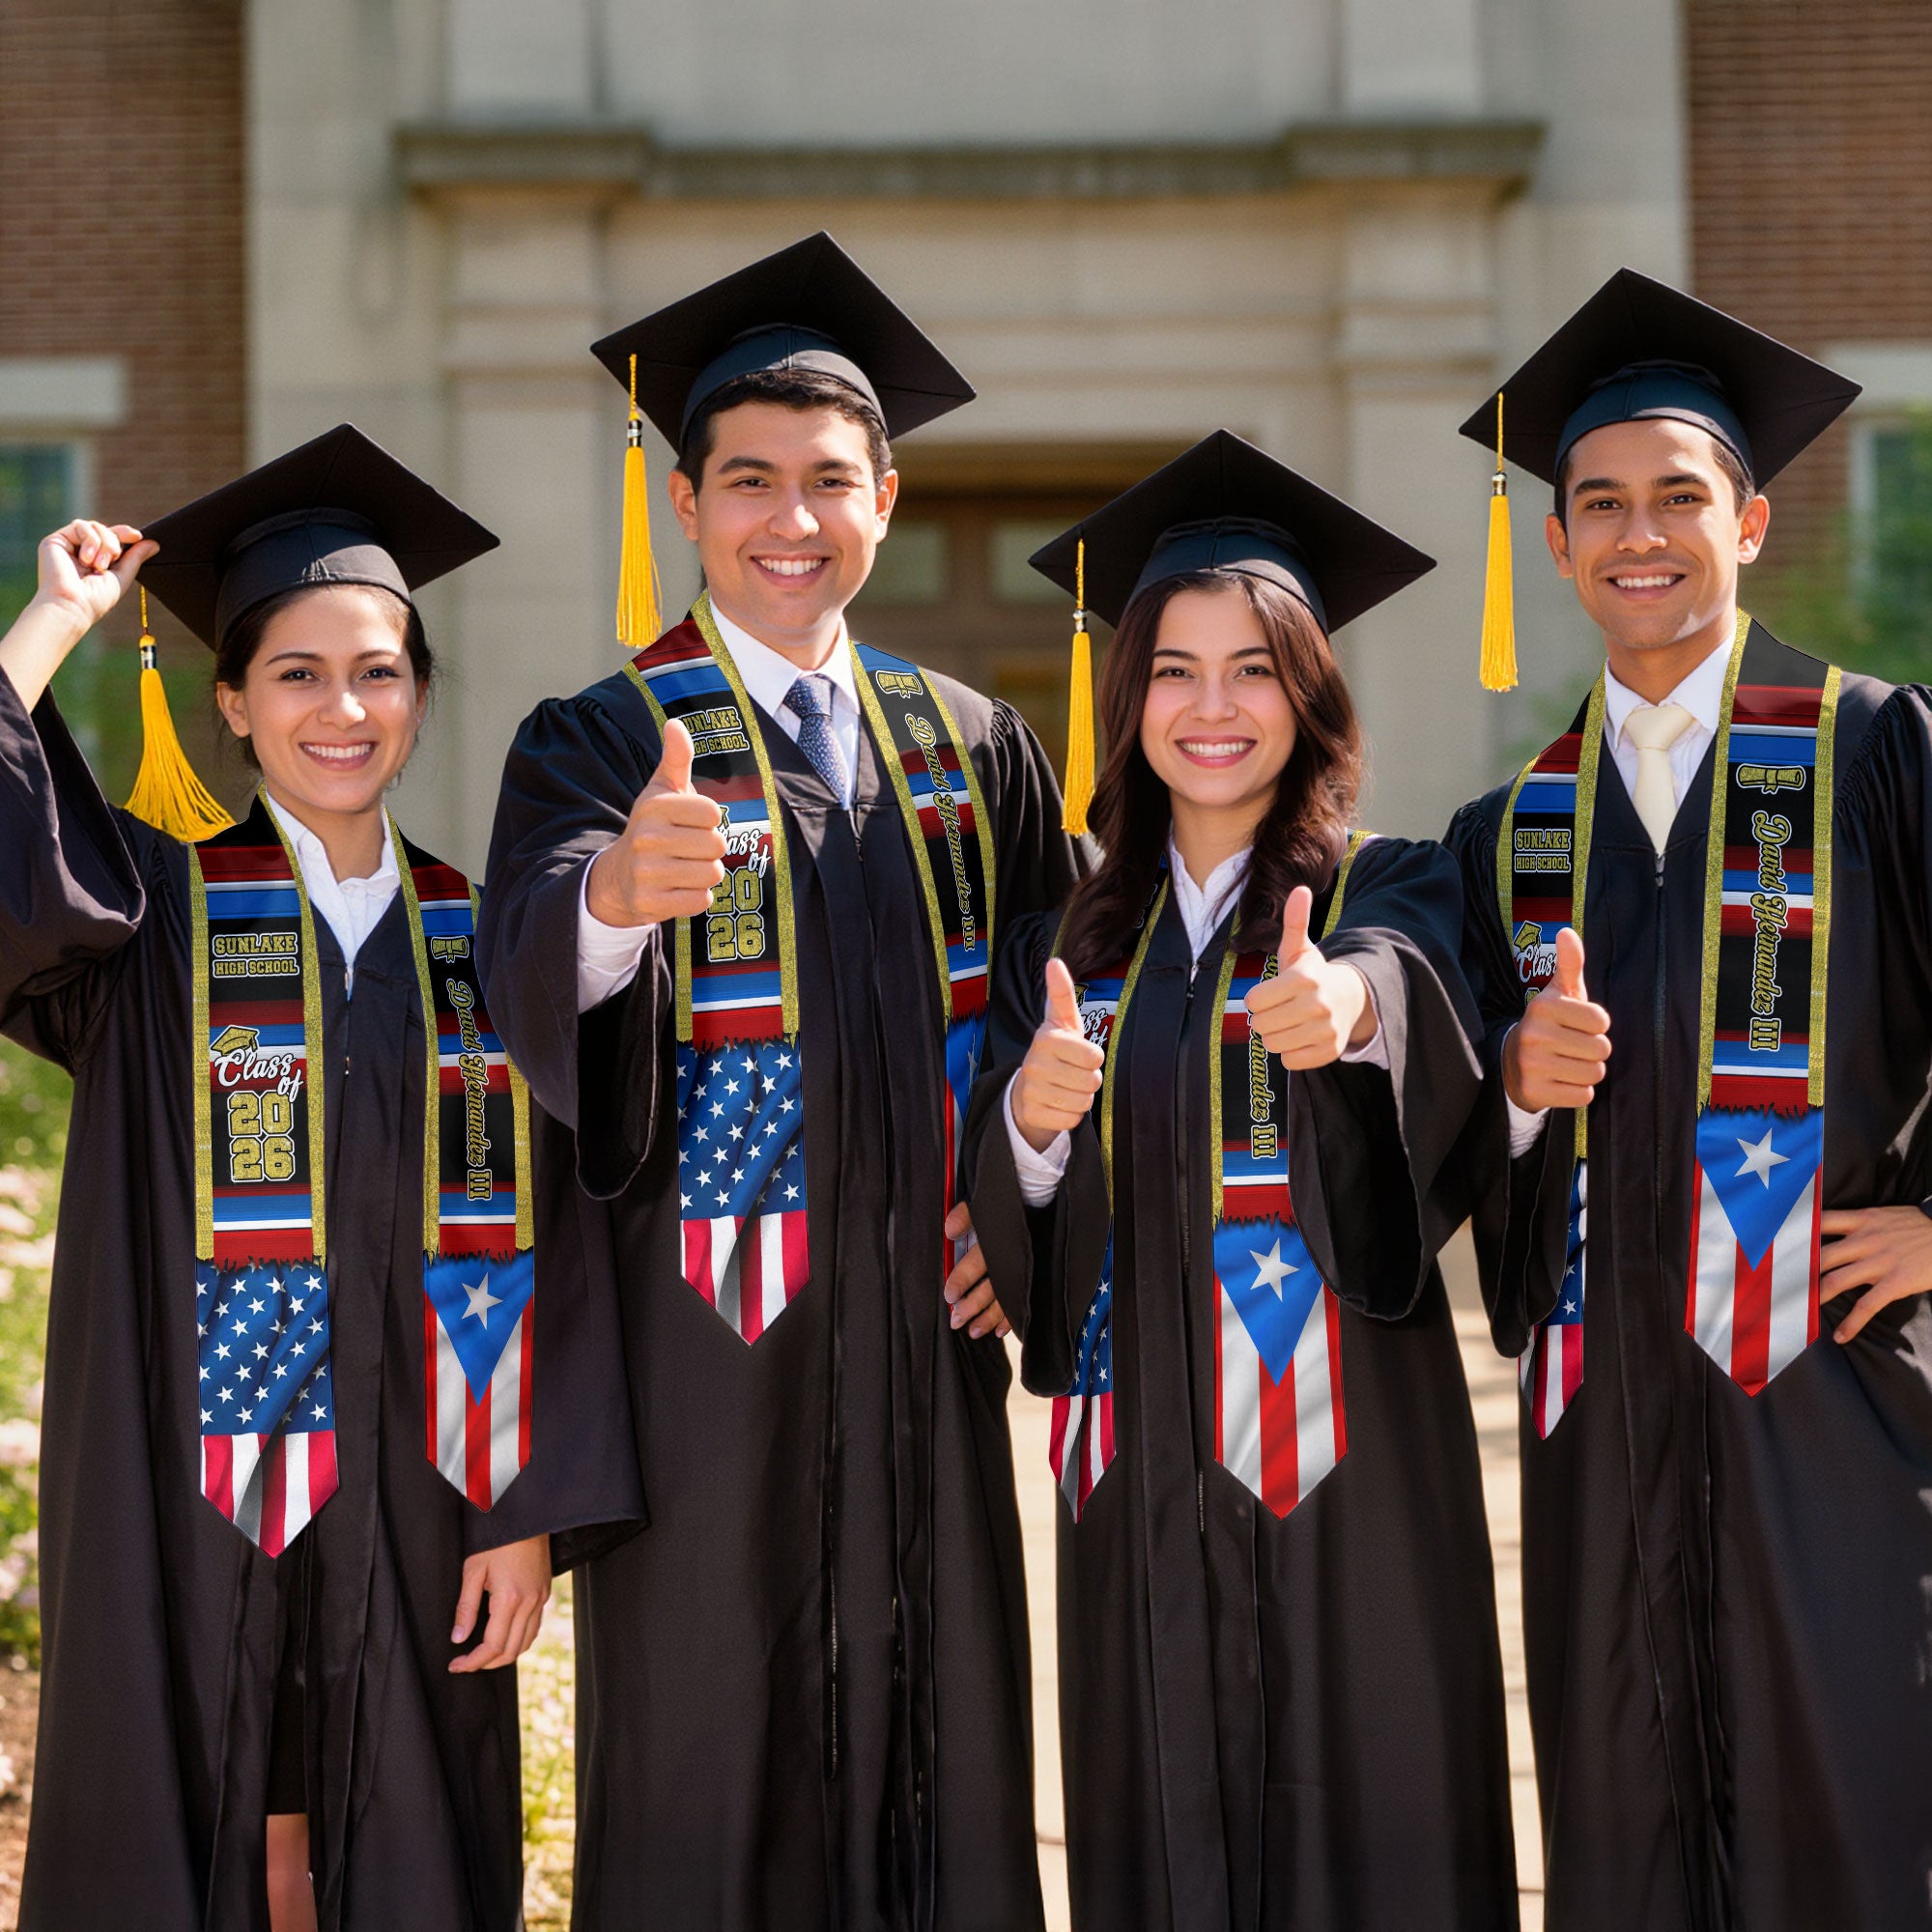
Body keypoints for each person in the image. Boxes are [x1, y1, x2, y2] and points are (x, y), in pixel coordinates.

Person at [479, 233, 1083, 1931]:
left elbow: (1074, 1002)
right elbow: (527, 968)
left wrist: (1024, 1199)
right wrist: (611, 899)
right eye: (749, 481)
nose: (790, 519)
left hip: (925, 1355)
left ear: (886, 497)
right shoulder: (601, 738)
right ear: (686, 503)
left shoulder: (972, 743)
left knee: (943, 1757)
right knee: (709, 1772)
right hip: (706, 1365)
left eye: (831, 481)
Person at [0, 425, 642, 1932]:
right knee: (192, 1810)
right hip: (186, 1485)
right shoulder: (149, 918)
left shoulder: (490, 942)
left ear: (419, 695)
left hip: (428, 1495)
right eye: (295, 673)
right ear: (230, 701)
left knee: (408, 1835)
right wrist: (51, 624)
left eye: (378, 671)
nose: (341, 708)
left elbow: (568, 1237)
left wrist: (526, 1507)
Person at [965, 431, 1518, 1930]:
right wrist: (1026, 1117)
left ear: (1311, 693)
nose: (1214, 709)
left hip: (1358, 1472)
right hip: (1140, 1468)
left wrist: (1348, 1012)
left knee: (1378, 1820)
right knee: (1163, 1824)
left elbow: (1412, 988)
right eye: (1175, 670)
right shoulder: (1065, 947)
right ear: (1127, 696)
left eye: (1256, 669)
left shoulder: (1390, 884)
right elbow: (1016, 1208)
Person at [1446, 270, 1932, 1931]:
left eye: (1677, 497)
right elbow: (1447, 1143)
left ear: (1752, 520)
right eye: (1598, 504)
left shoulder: (1873, 752)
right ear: (1561, 543)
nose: (1636, 534)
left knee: (1854, 1810)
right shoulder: (1507, 832)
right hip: (1604, 1427)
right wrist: (1511, 1090)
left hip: (1834, 1403)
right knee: (1624, 1822)